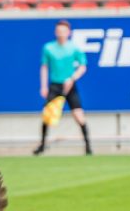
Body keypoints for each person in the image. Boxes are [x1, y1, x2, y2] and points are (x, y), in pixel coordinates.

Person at [34, 19, 91, 156]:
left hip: (70, 85)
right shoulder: (48, 48)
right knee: (47, 115)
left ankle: (88, 146)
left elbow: (83, 67)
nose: (61, 34)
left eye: (63, 31)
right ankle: (42, 146)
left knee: (78, 115)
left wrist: (72, 78)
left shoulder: (74, 48)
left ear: (69, 32)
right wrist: (43, 86)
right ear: (55, 32)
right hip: (55, 85)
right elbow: (44, 67)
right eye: (59, 31)